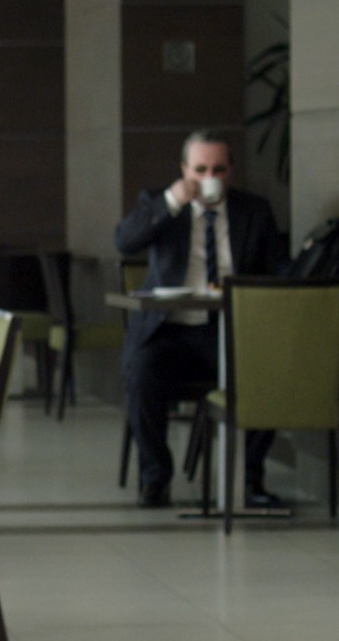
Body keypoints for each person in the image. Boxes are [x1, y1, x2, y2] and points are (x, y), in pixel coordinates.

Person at [114, 129, 288, 509]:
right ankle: (156, 478)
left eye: (219, 170)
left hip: (230, 330)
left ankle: (249, 479)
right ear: (184, 170)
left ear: (231, 171)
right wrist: (172, 200)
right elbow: (124, 241)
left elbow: (279, 268)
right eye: (200, 170)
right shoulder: (160, 203)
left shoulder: (254, 211)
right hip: (171, 330)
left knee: (265, 373)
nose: (210, 178)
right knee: (142, 372)